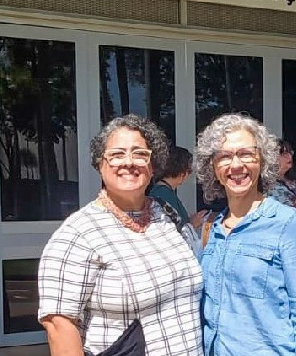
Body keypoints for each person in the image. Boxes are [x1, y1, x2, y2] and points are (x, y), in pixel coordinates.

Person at [38, 114, 204, 356]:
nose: (129, 162)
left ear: (153, 164)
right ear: (100, 164)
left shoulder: (164, 214)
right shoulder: (78, 233)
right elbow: (59, 325)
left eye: (140, 154)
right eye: (116, 155)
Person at [194, 113, 296, 355]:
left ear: (262, 161)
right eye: (224, 156)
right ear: (212, 167)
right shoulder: (211, 229)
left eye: (246, 154)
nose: (236, 165)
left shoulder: (287, 224)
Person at [149, 145, 207, 229]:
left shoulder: (164, 192)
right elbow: (172, 229)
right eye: (189, 170)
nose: (188, 175)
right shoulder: (162, 195)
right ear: (181, 171)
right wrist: (192, 224)